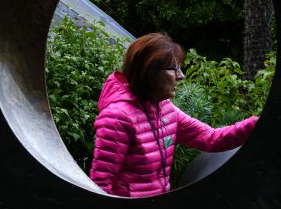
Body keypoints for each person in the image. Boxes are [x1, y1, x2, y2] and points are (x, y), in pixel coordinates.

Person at [89, 32, 258, 197]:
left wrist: (257, 122)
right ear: (150, 71)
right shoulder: (117, 117)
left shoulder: (165, 109)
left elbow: (211, 138)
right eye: (173, 69)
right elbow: (101, 188)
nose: (181, 76)